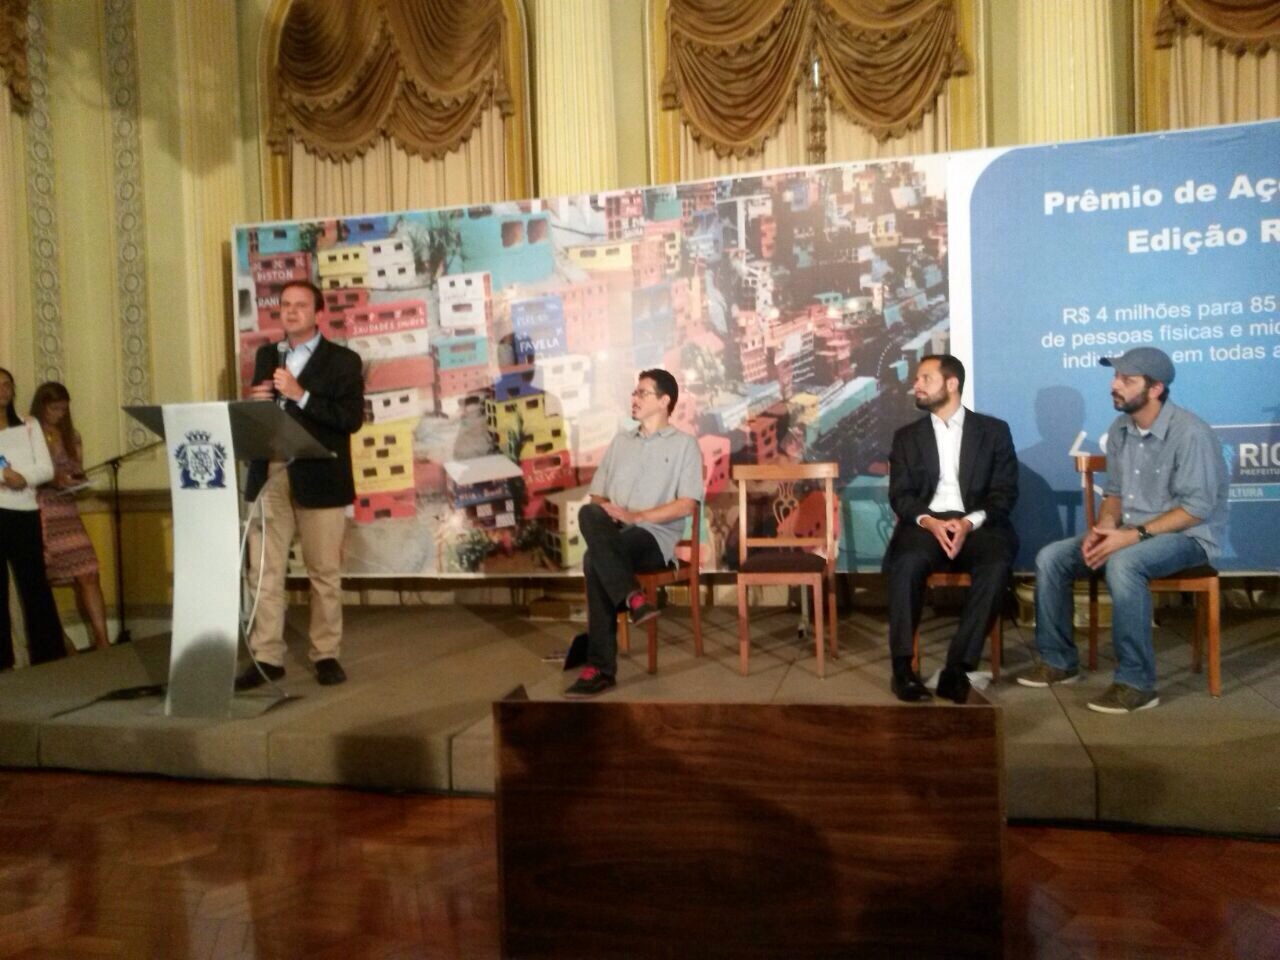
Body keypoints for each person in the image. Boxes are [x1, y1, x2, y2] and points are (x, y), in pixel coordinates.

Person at [1020, 347, 1227, 714]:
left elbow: (1196, 510)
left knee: (1124, 564)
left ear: (1155, 388)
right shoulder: (1120, 429)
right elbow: (1114, 493)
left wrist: (1131, 537)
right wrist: (1104, 527)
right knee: (1051, 557)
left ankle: (1137, 683)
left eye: (1126, 380)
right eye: (1115, 377)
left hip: (1188, 538)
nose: (1114, 385)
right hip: (1130, 532)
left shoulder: (1191, 433)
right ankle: (1058, 661)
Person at [235, 279, 364, 690]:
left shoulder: (343, 361)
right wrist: (258, 404)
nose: (290, 312)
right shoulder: (268, 355)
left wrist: (301, 394)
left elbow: (350, 420)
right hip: (271, 471)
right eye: (285, 305)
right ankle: (267, 657)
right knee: (263, 570)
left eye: (300, 305)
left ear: (319, 313)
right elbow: (266, 414)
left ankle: (325, 654)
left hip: (320, 474)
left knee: (323, 571)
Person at [883, 354, 1019, 704]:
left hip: (977, 523)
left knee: (996, 564)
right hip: (926, 522)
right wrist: (931, 521)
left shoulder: (993, 431)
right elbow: (901, 495)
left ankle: (957, 669)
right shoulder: (906, 437)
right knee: (906, 563)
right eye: (917, 379)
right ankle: (903, 670)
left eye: (925, 378)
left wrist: (968, 522)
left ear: (951, 383)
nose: (916, 385)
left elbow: (1004, 492)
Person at [564, 369, 703, 698]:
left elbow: (687, 504)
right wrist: (612, 514)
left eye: (642, 393)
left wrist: (637, 516)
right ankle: (633, 598)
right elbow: (598, 497)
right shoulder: (621, 442)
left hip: (653, 536)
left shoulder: (685, 445)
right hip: (615, 531)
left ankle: (600, 669)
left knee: (593, 560)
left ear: (664, 401)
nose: (634, 398)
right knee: (588, 512)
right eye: (634, 393)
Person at [30, 382, 111, 651]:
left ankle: (102, 640)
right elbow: (26, 473)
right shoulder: (30, 433)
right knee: (41, 579)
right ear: (42, 406)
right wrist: (53, 479)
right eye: (54, 409)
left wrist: (79, 481)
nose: (59, 414)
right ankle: (60, 640)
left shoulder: (72, 436)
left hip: (67, 511)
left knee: (88, 572)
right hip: (41, 510)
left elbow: (77, 469)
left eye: (64, 410)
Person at [0, 367, 66, 669]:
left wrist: (23, 478)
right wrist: (3, 476)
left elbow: (46, 469)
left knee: (35, 584)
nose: (2, 390)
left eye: (7, 385)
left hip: (24, 512)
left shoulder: (29, 424)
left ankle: (48, 654)